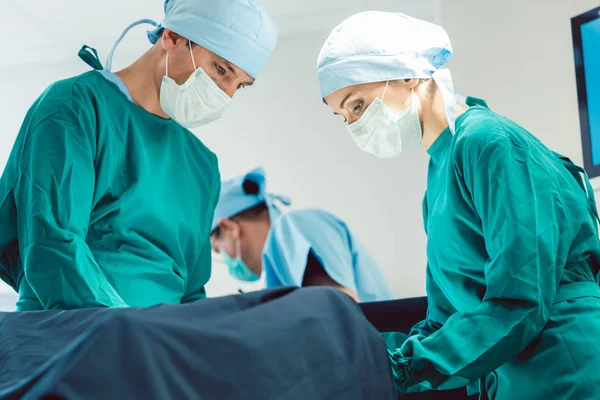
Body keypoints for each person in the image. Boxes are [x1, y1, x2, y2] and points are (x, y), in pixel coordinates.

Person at [316, 11, 600, 399]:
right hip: (514, 376)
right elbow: (444, 322)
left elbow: (520, 300)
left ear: (405, 73)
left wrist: (399, 368)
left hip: (566, 367)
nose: (353, 125)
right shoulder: (438, 181)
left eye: (358, 105)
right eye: (343, 117)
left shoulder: (487, 143)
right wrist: (360, 359)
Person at [0, 0, 278, 311]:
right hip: (70, 340)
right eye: (221, 69)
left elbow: (190, 292)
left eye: (240, 85)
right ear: (171, 37)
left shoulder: (202, 165)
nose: (225, 93)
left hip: (158, 347)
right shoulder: (75, 108)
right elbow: (53, 246)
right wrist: (131, 334)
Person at [210, 167, 394, 302]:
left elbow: (339, 313)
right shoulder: (276, 274)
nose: (225, 260)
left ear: (229, 228)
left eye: (218, 250)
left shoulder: (291, 230)